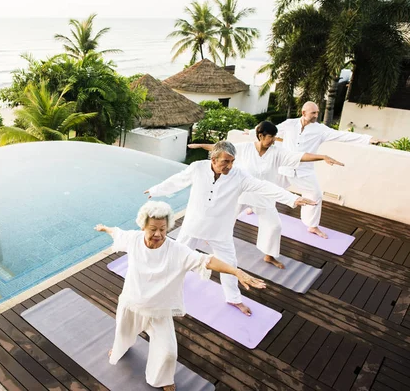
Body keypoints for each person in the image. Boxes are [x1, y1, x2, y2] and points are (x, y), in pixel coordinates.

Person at [95, 201, 265, 391]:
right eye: (153, 229)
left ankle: (160, 379)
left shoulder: (176, 250)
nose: (158, 234)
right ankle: (120, 349)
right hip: (131, 304)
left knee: (167, 353)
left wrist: (236, 272)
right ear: (143, 226)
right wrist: (105, 228)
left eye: (163, 229)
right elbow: (117, 233)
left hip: (159, 311)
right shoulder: (133, 239)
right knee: (123, 334)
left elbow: (205, 260)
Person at [144, 141, 315, 315]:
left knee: (230, 265)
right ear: (213, 159)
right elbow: (178, 180)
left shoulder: (239, 176)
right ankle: (165, 286)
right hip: (193, 224)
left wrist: (292, 199)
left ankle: (234, 299)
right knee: (177, 257)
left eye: (232, 161)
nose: (230, 166)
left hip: (221, 230)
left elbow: (264, 187)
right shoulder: (198, 168)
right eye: (226, 161)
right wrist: (156, 190)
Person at [188, 121, 344, 269]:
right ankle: (213, 239)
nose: (273, 140)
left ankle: (269, 255)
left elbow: (300, 156)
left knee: (274, 226)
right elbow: (221, 150)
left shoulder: (277, 152)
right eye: (270, 137)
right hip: (242, 193)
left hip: (264, 195)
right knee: (225, 218)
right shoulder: (245, 148)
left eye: (275, 137)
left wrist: (322, 157)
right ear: (260, 136)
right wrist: (201, 145)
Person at [274, 101, 386, 238]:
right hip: (284, 167)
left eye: (317, 112)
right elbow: (271, 130)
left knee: (315, 195)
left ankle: (312, 226)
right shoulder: (289, 124)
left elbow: (343, 136)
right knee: (269, 187)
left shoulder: (320, 130)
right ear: (303, 113)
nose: (316, 115)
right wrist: (250, 132)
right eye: (313, 113)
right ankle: (255, 206)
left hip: (304, 171)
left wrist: (368, 139)